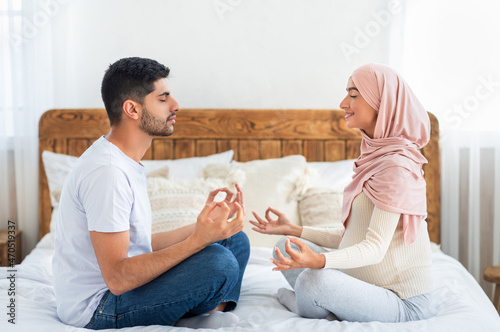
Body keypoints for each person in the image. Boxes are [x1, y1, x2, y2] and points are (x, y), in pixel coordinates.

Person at [52, 57, 250, 330]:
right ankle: (199, 314)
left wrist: (205, 230)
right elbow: (118, 278)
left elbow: (141, 245)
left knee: (233, 240)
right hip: (100, 307)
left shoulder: (125, 161)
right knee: (219, 262)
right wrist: (196, 243)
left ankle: (205, 313)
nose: (175, 105)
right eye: (163, 99)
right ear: (132, 109)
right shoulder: (107, 173)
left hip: (127, 286)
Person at [250, 63, 436, 323]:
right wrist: (294, 230)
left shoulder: (397, 167)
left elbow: (374, 248)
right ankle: (323, 302)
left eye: (353, 95)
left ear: (380, 102)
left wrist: (320, 261)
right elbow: (353, 238)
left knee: (314, 279)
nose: (342, 103)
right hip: (363, 284)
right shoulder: (376, 158)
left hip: (401, 301)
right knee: (287, 246)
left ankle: (304, 305)